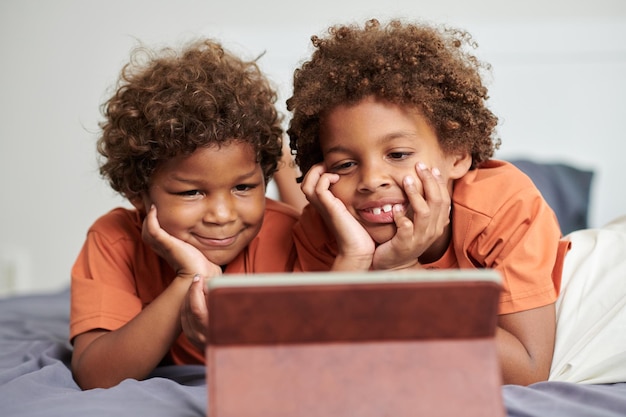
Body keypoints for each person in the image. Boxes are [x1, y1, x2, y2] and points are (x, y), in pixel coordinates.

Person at [286, 18, 571, 386]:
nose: (372, 180)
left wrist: (401, 272)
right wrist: (353, 260)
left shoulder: (505, 205)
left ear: (456, 156)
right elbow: (308, 370)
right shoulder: (324, 225)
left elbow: (526, 371)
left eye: (399, 153)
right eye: (346, 164)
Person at [70, 38, 300, 389]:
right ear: (138, 193)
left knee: (308, 216)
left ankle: (284, 166)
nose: (222, 215)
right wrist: (188, 278)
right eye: (192, 192)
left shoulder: (292, 233)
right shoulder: (113, 238)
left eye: (244, 187)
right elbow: (96, 375)